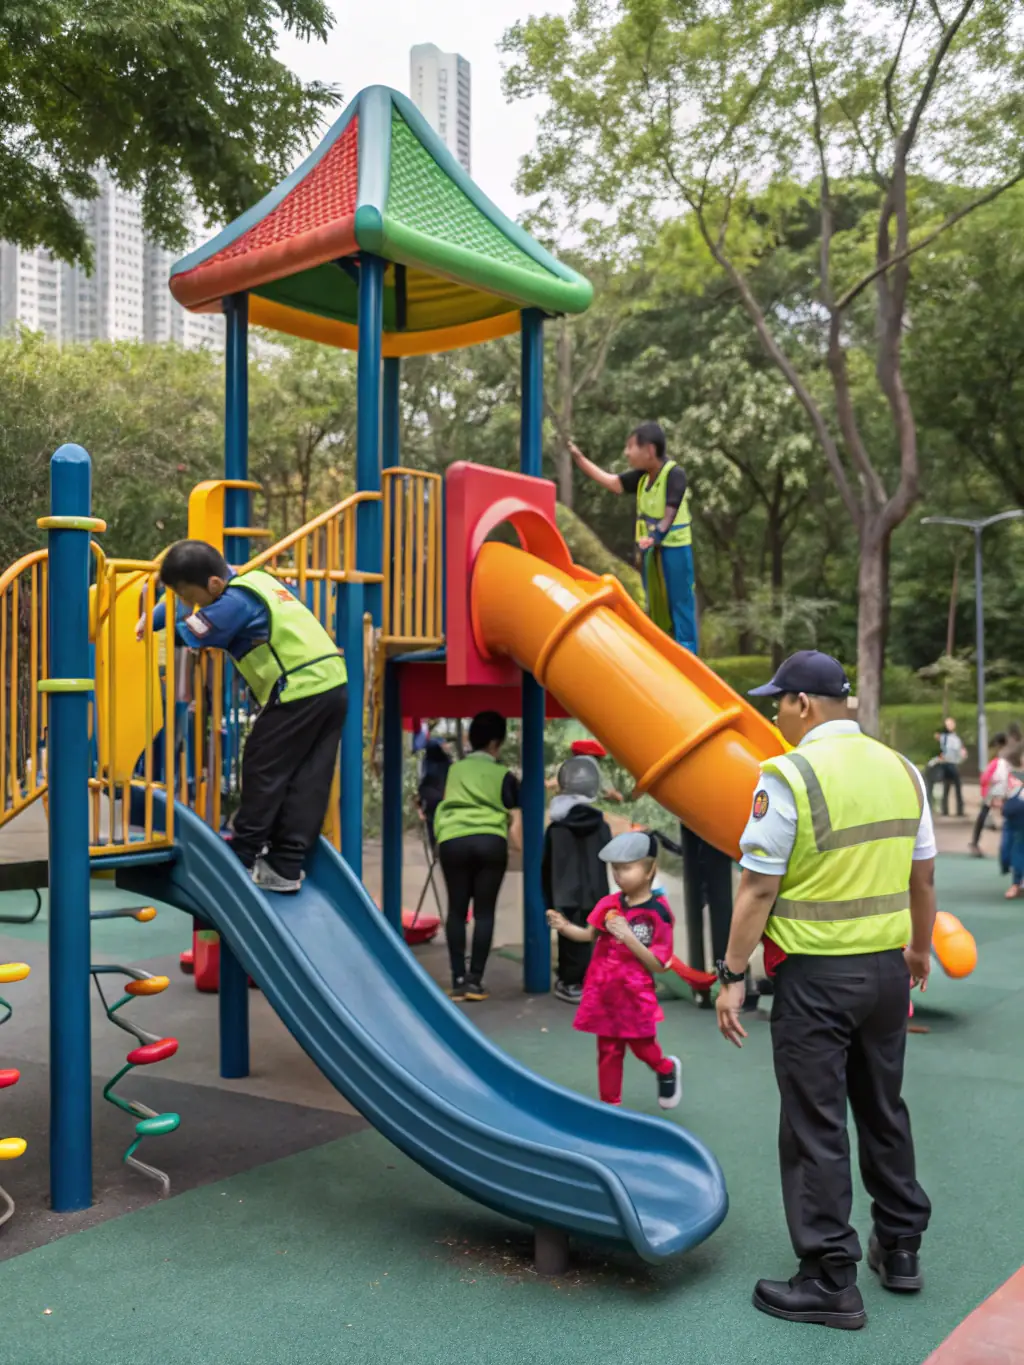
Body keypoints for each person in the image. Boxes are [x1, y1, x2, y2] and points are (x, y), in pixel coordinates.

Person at [714, 650, 935, 1332]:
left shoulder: (789, 774)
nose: (774, 712)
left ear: (804, 704)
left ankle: (829, 1278)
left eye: (777, 700)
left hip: (816, 979)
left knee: (814, 1123)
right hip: (886, 973)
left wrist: (730, 974)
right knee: (882, 1106)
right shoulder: (904, 770)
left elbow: (757, 885)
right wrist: (920, 948)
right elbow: (922, 876)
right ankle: (899, 1247)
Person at [140, 540, 348, 892]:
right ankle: (284, 865)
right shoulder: (255, 580)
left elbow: (189, 633)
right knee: (308, 779)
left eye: (192, 597)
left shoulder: (233, 602)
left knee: (262, 765)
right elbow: (186, 602)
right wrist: (155, 610)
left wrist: (149, 630)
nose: (191, 605)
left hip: (299, 686)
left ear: (213, 586)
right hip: (333, 683)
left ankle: (242, 855)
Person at [547, 831, 682, 1110]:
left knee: (644, 1049)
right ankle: (611, 1107)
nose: (619, 876)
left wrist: (629, 937)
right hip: (604, 994)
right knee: (608, 1051)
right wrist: (563, 926)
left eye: (626, 868)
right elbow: (588, 936)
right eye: (615, 869)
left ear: (650, 871)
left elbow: (658, 964)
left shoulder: (659, 913)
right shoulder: (608, 904)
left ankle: (666, 1068)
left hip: (635, 996)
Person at [568, 423, 696, 652]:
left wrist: (657, 535)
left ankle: (688, 654)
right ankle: (663, 651)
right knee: (656, 604)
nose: (626, 453)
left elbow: (671, 510)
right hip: (651, 551)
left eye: (630, 447)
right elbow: (612, 482)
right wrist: (580, 459)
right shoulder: (642, 478)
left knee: (680, 603)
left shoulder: (673, 474)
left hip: (674, 549)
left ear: (649, 450)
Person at [433, 711, 521, 1002]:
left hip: (453, 840)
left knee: (457, 910)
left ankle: (458, 978)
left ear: (471, 739)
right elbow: (515, 815)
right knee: (484, 912)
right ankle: (476, 980)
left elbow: (439, 799)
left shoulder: (454, 769)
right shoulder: (503, 775)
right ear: (497, 743)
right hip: (489, 841)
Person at [542, 749, 612, 1004]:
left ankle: (572, 982)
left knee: (569, 939)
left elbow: (547, 865)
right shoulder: (601, 826)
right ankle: (593, 980)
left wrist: (548, 897)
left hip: (565, 892)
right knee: (594, 935)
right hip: (596, 891)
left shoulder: (557, 829)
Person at [969, 731, 1008, 857]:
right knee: (986, 814)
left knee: (985, 814)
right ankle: (974, 843)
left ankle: (975, 842)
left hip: (1000, 791)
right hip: (997, 791)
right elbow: (985, 778)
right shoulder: (998, 761)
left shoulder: (999, 760)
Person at [925, 717, 966, 816]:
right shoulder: (946, 737)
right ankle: (947, 810)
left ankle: (954, 810)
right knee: (950, 786)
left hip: (951, 763)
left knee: (953, 786)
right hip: (947, 763)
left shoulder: (952, 738)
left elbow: (958, 751)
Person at [999, 724, 1023, 875]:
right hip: (1012, 811)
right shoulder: (1011, 772)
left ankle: (1017, 880)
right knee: (1007, 849)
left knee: (1019, 845)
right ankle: (1008, 865)